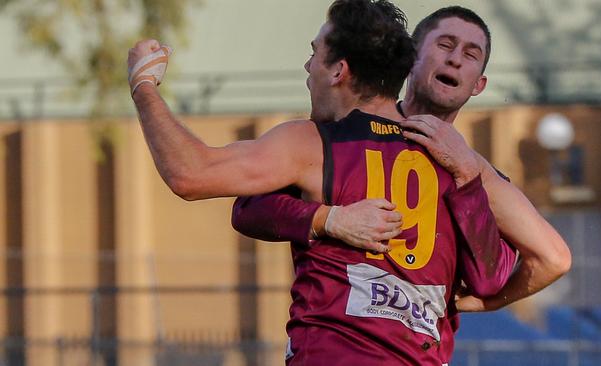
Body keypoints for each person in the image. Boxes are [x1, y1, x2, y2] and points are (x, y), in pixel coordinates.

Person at [128, 1, 519, 364]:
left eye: (314, 52)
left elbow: (190, 173)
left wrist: (143, 86)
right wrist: (327, 219)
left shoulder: (315, 143)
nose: (307, 65)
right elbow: (541, 261)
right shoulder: (455, 164)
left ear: (338, 70)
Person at [231, 5, 571, 325]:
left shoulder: (473, 172)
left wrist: (487, 302)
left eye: (470, 55)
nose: (455, 60)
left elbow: (553, 258)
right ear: (411, 59)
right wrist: (329, 219)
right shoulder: (347, 133)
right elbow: (249, 207)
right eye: (445, 45)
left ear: (479, 84)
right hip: (336, 347)